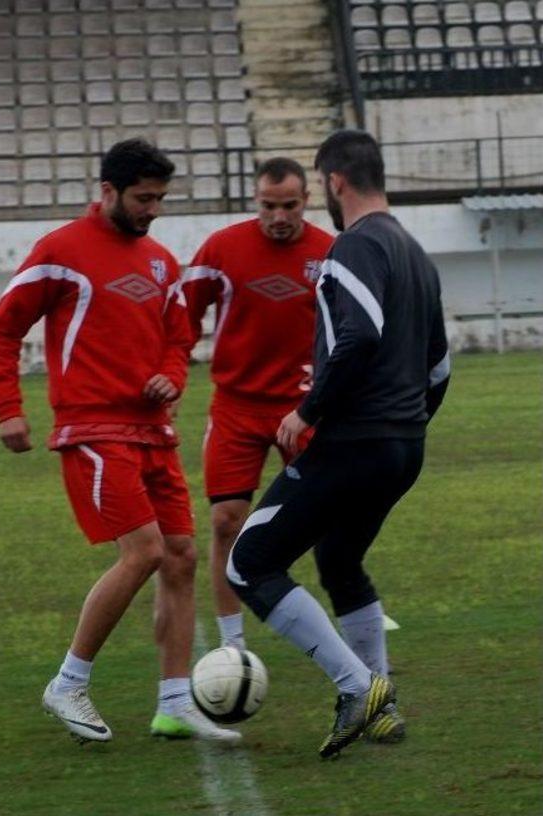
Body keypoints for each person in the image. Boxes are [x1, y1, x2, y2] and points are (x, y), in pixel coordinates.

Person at [0, 139, 241, 745]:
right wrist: (7, 409)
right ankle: (68, 681)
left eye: (159, 199)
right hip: (92, 428)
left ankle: (175, 704)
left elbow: (179, 340)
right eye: (142, 198)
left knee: (181, 557)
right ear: (107, 192)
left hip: (153, 431)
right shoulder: (61, 250)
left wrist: (170, 378)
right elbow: (2, 327)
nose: (153, 209)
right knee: (145, 551)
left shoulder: (160, 262)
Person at [226, 130, 451, 758]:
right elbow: (439, 367)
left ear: (334, 183)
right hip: (402, 445)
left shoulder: (355, 246)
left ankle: (358, 687)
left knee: (249, 563)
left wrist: (307, 411)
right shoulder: (415, 251)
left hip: (356, 439)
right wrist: (406, 426)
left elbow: (361, 336)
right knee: (339, 561)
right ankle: (383, 708)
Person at [181, 158, 333, 651]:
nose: (279, 216)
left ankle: (343, 608)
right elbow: (183, 312)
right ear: (256, 201)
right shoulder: (223, 249)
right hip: (236, 408)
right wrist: (170, 369)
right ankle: (233, 646)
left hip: (302, 409)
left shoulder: (330, 254)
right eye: (269, 206)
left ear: (305, 201)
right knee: (226, 520)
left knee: (330, 517)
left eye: (289, 205)